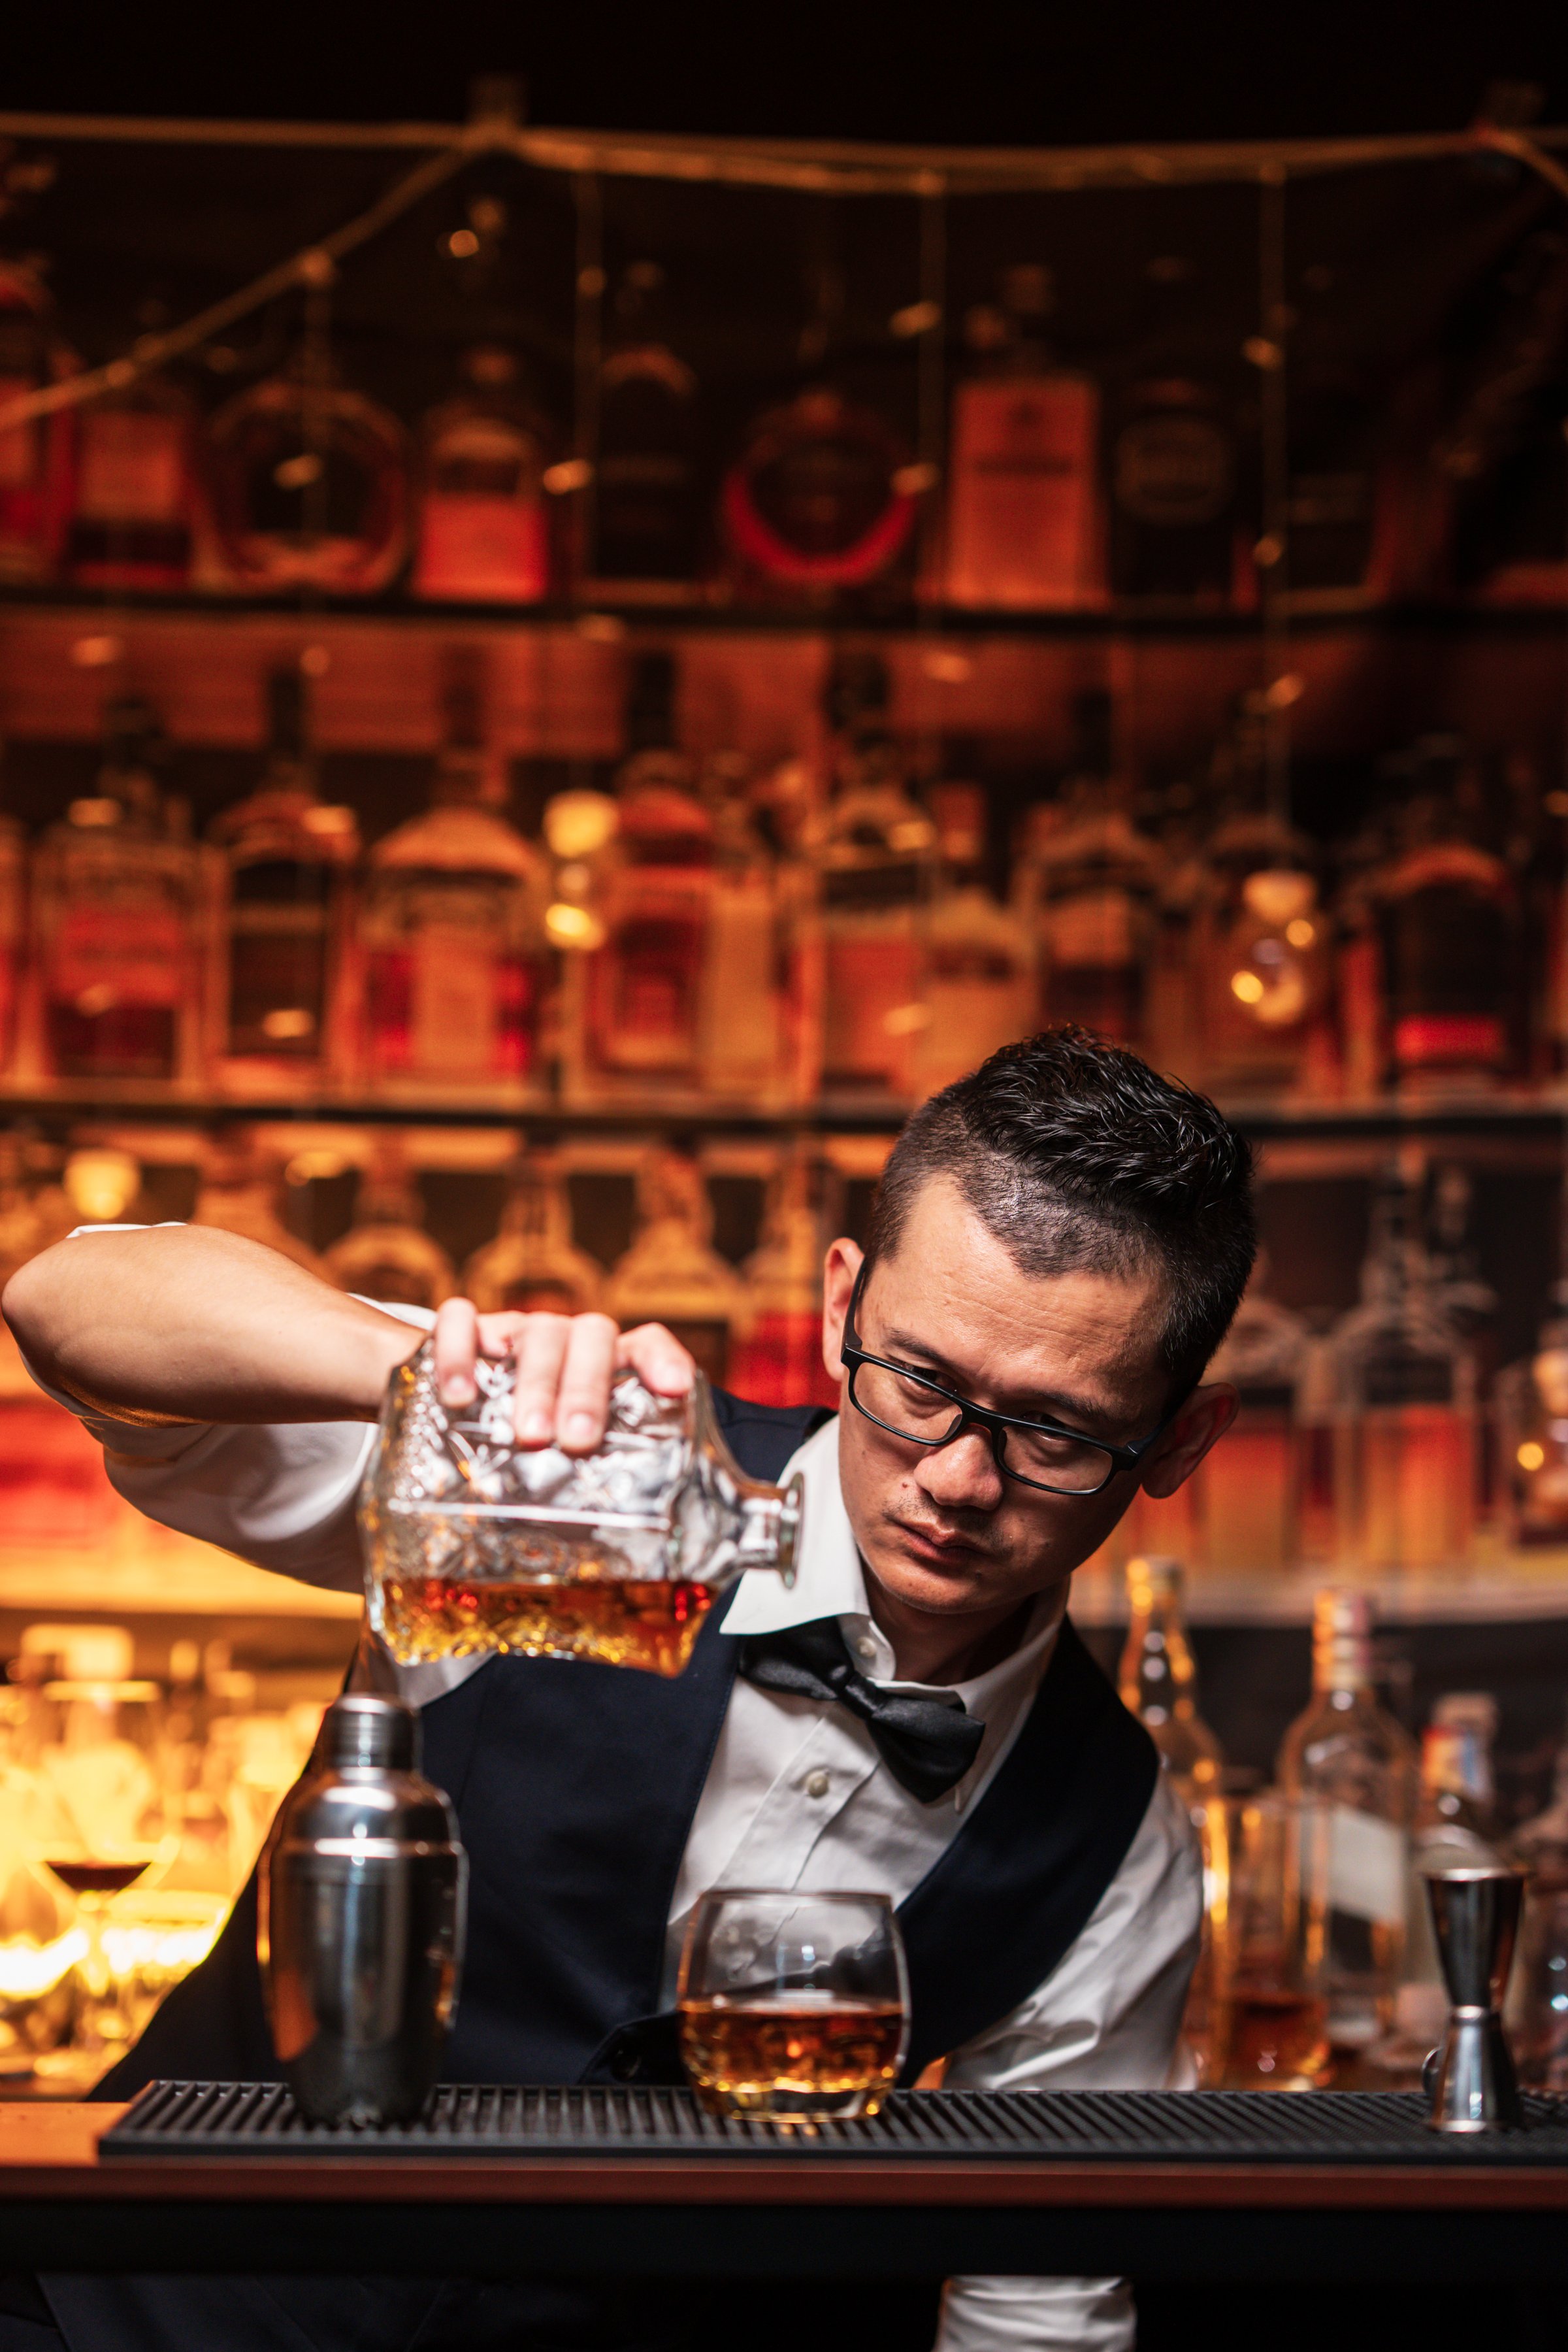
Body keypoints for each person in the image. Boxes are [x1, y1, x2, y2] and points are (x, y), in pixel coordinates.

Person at [0, 1028, 1253, 2352]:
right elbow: (71, 1304)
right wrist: (425, 1390)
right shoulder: (570, 1479)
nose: (956, 1478)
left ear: (1175, 1441)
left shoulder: (1117, 1844)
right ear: (842, 1306)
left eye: (1054, 1431)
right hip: (142, 2313)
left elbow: (1035, 2306)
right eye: (919, 1381)